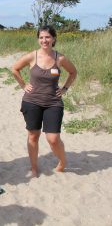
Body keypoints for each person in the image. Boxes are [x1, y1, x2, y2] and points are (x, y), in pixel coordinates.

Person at [11, 25, 77, 178]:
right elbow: (15, 69)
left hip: (53, 102)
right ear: (38, 39)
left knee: (53, 139)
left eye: (47, 37)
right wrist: (23, 85)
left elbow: (73, 72)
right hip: (31, 101)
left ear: (53, 39)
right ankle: (34, 167)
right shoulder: (32, 56)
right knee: (33, 135)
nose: (44, 40)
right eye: (41, 37)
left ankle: (62, 161)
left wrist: (65, 88)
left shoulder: (59, 58)